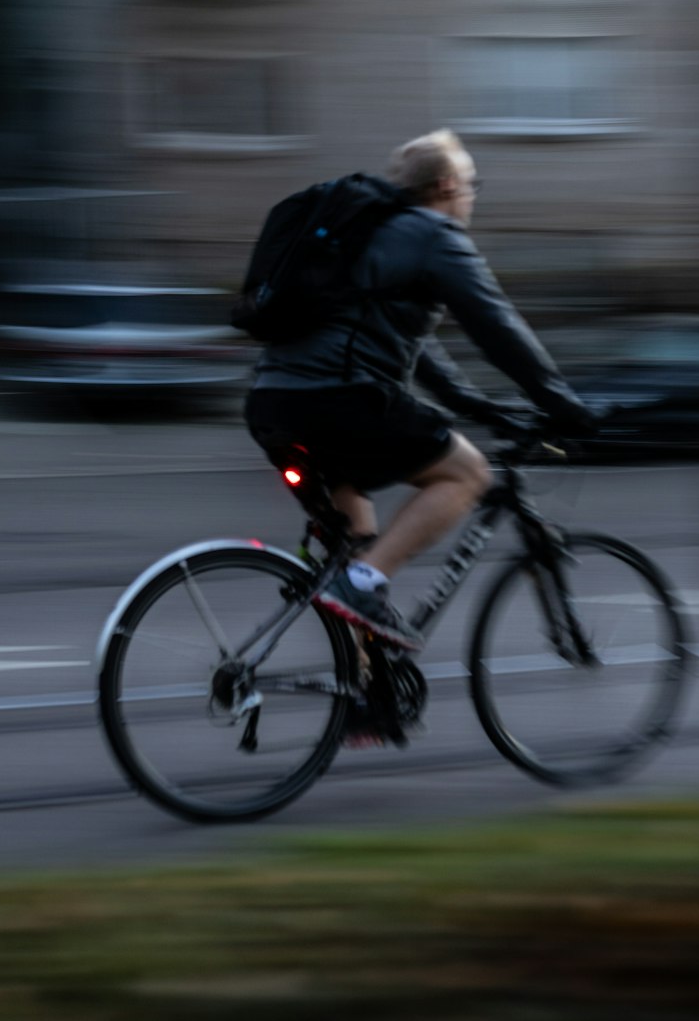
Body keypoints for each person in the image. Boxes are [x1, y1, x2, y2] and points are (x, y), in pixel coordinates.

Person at [245, 129, 594, 652]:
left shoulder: (371, 233)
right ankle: (362, 587)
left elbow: (421, 353)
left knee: (357, 550)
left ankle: (363, 701)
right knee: (468, 473)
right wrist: (563, 405)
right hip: (338, 401)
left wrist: (481, 407)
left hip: (274, 403)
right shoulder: (434, 235)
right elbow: (496, 325)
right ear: (450, 185)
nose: (473, 195)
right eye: (473, 184)